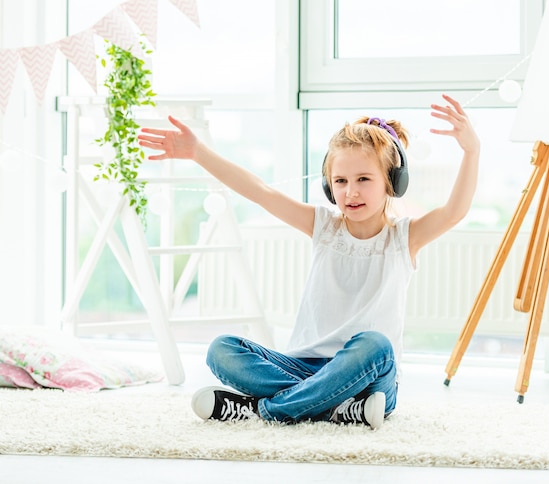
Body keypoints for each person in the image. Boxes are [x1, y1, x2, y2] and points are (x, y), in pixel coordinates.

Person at [138, 94, 480, 429]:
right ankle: (336, 408)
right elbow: (260, 191)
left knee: (376, 344)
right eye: (341, 182)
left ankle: (263, 410)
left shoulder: (404, 238)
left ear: (392, 182)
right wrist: (198, 152)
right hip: (302, 367)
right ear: (329, 187)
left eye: (363, 179)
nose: (351, 192)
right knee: (222, 350)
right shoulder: (324, 226)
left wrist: (471, 149)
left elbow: (455, 211)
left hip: (369, 377)